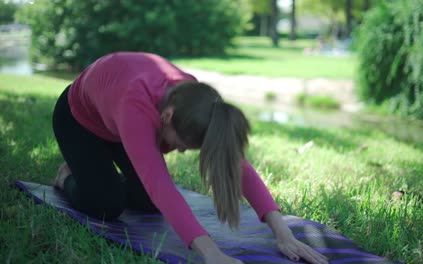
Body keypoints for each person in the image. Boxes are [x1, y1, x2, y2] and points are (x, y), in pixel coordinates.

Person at [52, 52, 328, 264]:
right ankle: (67, 176)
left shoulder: (197, 101)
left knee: (148, 202)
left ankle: (99, 175)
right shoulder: (135, 105)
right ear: (167, 117)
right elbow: (161, 186)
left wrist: (284, 234)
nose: (180, 151)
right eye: (181, 144)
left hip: (118, 122)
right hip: (80, 120)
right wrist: (211, 253)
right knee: (107, 203)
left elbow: (235, 162)